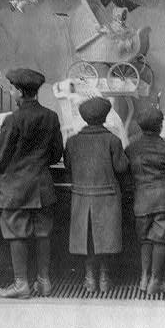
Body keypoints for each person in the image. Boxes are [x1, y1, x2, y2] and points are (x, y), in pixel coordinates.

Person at [0, 68, 63, 299]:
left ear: (19, 92)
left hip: (15, 188)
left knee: (16, 232)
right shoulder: (51, 117)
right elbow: (55, 154)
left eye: (12, 87)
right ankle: (44, 282)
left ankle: (21, 284)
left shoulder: (12, 120)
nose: (11, 90)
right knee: (43, 232)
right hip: (42, 186)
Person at [64, 97, 129, 293]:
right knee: (105, 239)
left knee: (87, 239)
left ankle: (89, 277)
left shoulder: (72, 141)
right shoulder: (113, 140)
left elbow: (68, 165)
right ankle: (105, 278)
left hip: (81, 196)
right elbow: (121, 167)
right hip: (107, 196)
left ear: (83, 117)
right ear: (105, 116)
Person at [125, 105, 165, 295]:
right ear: (160, 126)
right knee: (160, 240)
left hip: (142, 200)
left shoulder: (131, 148)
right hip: (164, 200)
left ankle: (143, 278)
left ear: (140, 126)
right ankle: (155, 281)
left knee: (145, 240)